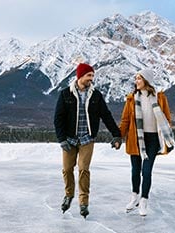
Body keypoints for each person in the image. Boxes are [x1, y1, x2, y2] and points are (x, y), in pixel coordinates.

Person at [54, 63, 122, 218]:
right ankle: (69, 194)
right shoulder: (66, 94)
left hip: (87, 139)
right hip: (69, 139)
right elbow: (58, 118)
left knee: (84, 169)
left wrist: (116, 135)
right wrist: (61, 139)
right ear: (80, 76)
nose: (91, 79)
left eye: (92, 76)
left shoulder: (96, 95)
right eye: (88, 76)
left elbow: (106, 115)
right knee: (67, 169)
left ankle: (83, 202)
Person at [119, 69, 175, 216]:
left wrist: (166, 137)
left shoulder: (160, 98)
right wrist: (119, 137)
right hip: (135, 138)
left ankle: (144, 200)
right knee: (135, 170)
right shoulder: (131, 98)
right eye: (136, 78)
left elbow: (167, 119)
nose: (136, 81)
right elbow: (125, 120)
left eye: (139, 78)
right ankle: (134, 197)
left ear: (147, 80)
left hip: (152, 139)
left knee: (147, 171)